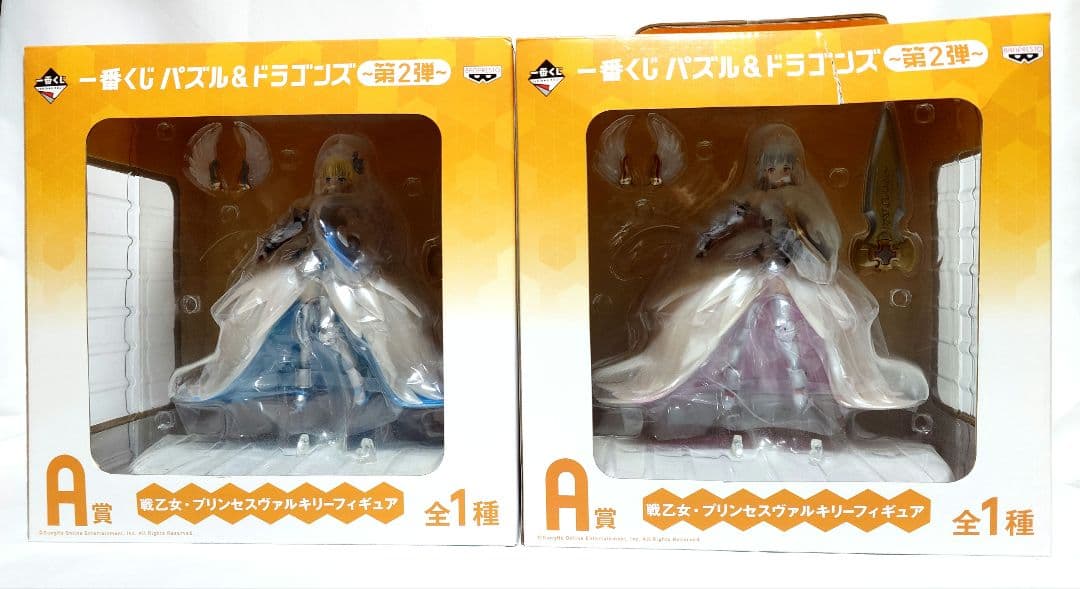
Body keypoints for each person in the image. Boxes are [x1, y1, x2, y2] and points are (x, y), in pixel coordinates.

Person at [593, 123, 928, 438]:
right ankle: (711, 391)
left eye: (784, 167)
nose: (778, 173)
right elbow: (717, 225)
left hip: (796, 278)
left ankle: (808, 397)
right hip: (751, 274)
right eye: (771, 167)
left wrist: (796, 245)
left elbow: (824, 242)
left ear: (794, 168)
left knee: (822, 322)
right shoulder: (749, 199)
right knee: (708, 315)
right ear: (760, 168)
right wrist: (712, 242)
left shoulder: (805, 200)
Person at [170, 133, 443, 448]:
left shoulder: (368, 211)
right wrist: (269, 255)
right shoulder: (303, 208)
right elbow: (277, 238)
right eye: (327, 177)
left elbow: (379, 249)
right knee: (264, 310)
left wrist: (349, 256)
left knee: (375, 319)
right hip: (303, 276)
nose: (332, 183)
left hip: (351, 281)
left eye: (341, 177)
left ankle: (363, 384)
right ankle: (291, 384)